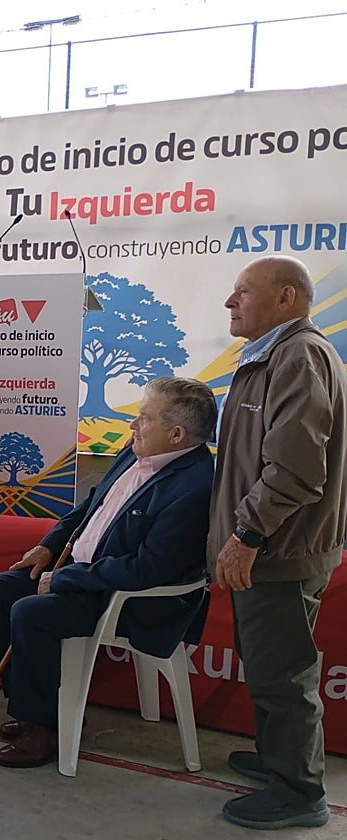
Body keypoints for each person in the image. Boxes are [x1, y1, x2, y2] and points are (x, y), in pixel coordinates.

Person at [0, 377, 217, 768]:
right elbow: (90, 506)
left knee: (29, 612)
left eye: (143, 418)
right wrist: (50, 545)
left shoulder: (194, 488)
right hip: (84, 571)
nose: (133, 426)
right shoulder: (135, 451)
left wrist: (67, 578)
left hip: (124, 597)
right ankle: (38, 709)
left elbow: (147, 569)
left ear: (175, 434)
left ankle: (41, 728)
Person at [209, 255, 346, 830]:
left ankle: (298, 792)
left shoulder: (299, 357)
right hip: (270, 549)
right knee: (267, 665)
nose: (230, 302)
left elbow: (293, 468)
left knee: (285, 675)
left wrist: (246, 535)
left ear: (286, 298)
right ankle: (276, 761)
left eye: (243, 292)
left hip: (278, 552)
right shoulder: (274, 357)